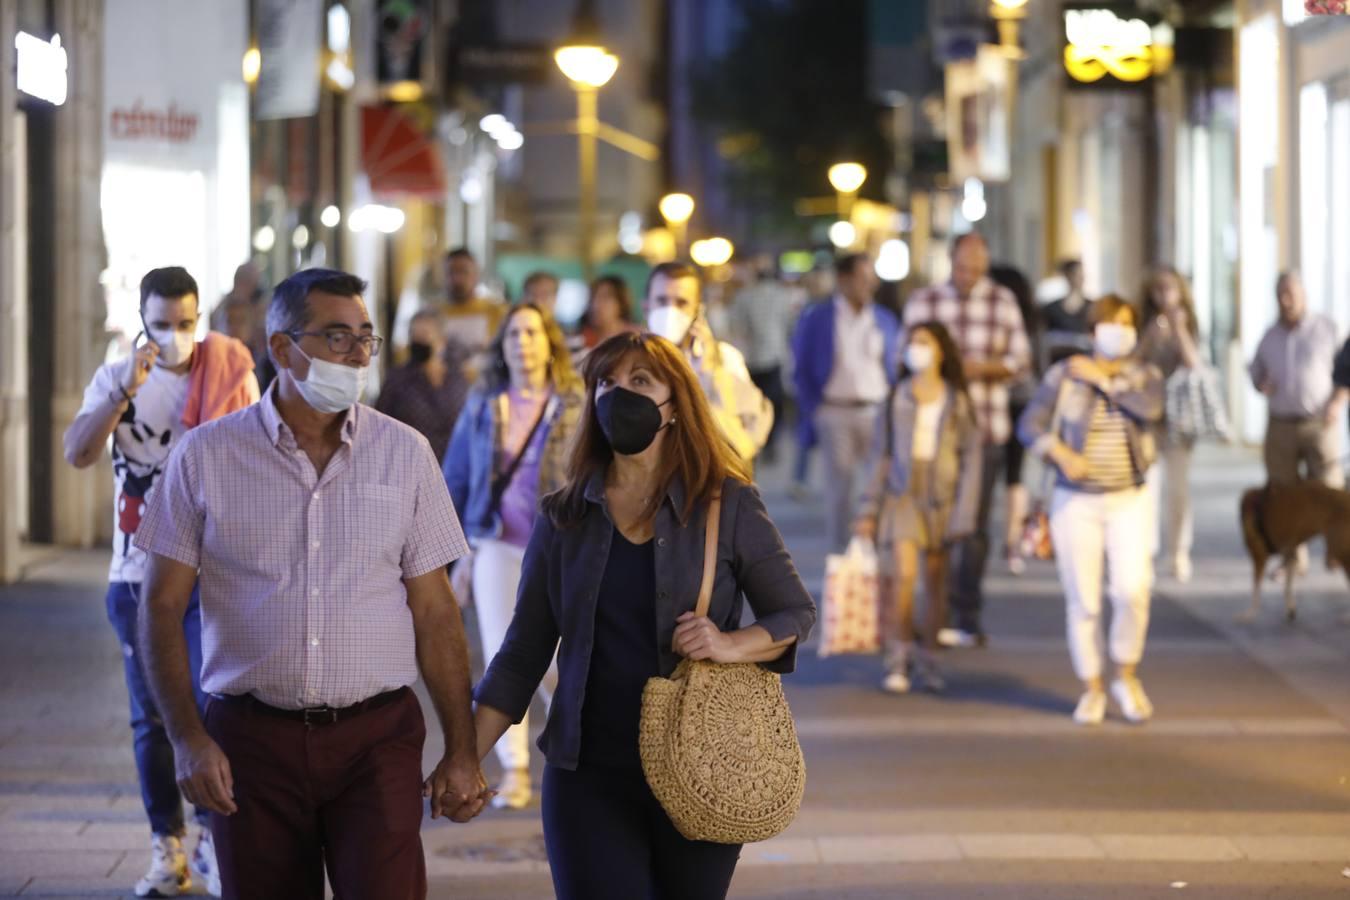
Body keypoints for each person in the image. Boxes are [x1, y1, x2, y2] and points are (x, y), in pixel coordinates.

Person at [133, 268, 490, 900]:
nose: (356, 354)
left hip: (375, 742)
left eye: (365, 338)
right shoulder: (206, 456)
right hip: (250, 742)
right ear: (281, 348)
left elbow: (435, 612)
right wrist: (188, 739)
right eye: (336, 337)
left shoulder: (404, 454)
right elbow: (160, 606)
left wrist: (461, 750)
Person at [471, 332, 816, 900]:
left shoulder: (725, 504)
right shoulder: (564, 516)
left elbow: (794, 611)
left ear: (674, 405)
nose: (618, 395)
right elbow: (523, 653)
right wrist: (465, 759)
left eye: (639, 382)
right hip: (586, 773)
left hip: (701, 764)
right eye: (606, 382)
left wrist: (729, 643)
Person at [63, 266, 259, 898]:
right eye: (163, 325)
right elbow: (78, 452)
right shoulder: (119, 376)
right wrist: (121, 390)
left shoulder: (230, 369)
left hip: (214, 571)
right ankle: (165, 846)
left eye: (186, 323)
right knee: (151, 718)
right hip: (136, 574)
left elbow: (258, 453)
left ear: (200, 317)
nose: (176, 336)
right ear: (142, 322)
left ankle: (212, 841)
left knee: (214, 710)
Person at [443, 303, 583, 810]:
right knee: (506, 655)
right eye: (514, 334)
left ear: (549, 342)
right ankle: (516, 770)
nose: (522, 342)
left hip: (561, 548)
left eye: (532, 332)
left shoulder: (575, 401)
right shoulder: (485, 403)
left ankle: (575, 739)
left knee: (562, 657)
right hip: (496, 545)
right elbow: (455, 477)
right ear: (502, 345)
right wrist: (456, 553)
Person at [1018, 295, 1164, 725]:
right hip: (1074, 501)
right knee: (1084, 600)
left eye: (1126, 323)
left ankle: (1126, 674)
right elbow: (1030, 424)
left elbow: (1150, 409)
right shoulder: (1065, 375)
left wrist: (1103, 381)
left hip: (1129, 498)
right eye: (1109, 323)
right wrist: (1058, 452)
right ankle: (1093, 687)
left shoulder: (1145, 375)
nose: (1118, 330)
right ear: (1093, 329)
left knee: (1131, 589)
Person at [903, 233, 1032, 646]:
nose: (969, 277)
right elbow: (902, 358)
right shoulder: (925, 302)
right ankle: (931, 613)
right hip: (932, 434)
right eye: (962, 269)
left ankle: (966, 613)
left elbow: (1021, 362)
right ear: (951, 261)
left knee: (973, 526)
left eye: (977, 271)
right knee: (932, 526)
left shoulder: (1002, 301)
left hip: (985, 429)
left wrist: (984, 368)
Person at [854, 322, 982, 695]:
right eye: (911, 343)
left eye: (924, 342)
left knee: (937, 583)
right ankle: (899, 656)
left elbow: (971, 458)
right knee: (904, 577)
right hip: (902, 494)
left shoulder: (956, 399)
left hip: (942, 497)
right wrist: (868, 508)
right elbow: (881, 455)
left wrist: (965, 512)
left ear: (941, 350)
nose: (916, 349)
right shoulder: (897, 396)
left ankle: (930, 659)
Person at [792, 254, 902, 552]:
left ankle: (874, 548)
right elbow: (800, 366)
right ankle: (842, 553)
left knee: (878, 484)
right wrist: (814, 408)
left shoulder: (883, 318)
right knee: (840, 488)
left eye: (872, 279)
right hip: (834, 410)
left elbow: (895, 365)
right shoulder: (818, 318)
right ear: (843, 280)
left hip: (877, 410)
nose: (869, 285)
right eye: (862, 278)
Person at [642, 261, 773, 462]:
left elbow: (745, 437)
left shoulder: (726, 359)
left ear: (698, 311)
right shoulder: (630, 363)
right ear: (646, 307)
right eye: (662, 301)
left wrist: (710, 373)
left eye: (681, 303)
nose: (670, 311)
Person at [1137, 265, 1205, 583]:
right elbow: (1131, 363)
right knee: (1147, 488)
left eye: (1169, 288)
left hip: (1180, 419)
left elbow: (1195, 365)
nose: (1163, 295)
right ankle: (1146, 552)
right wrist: (1149, 337)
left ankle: (1178, 552)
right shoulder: (1145, 323)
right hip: (1149, 417)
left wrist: (1179, 331)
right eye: (1158, 289)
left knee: (1178, 490)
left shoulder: (1188, 323)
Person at [1249, 272, 1346, 490]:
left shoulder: (1327, 329)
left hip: (1320, 422)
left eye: (1290, 294)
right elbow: (1255, 371)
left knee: (1327, 489)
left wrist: (1337, 402)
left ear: (1303, 294)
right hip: (1281, 425)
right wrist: (1260, 383)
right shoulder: (1269, 336)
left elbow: (1346, 371)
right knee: (1282, 495)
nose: (1285, 301)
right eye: (1280, 295)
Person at [989, 264, 1041, 576]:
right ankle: (1012, 543)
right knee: (1015, 475)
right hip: (1024, 401)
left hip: (1004, 399)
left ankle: (997, 537)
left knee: (992, 470)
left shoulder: (1001, 316)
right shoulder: (1034, 318)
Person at [375, 308, 471, 463]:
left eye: (424, 334)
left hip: (451, 469)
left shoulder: (457, 378)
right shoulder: (397, 379)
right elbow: (379, 425)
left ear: (442, 341)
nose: (418, 341)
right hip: (409, 465)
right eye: (413, 335)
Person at [728, 254, 792, 463]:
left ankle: (761, 443)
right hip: (763, 357)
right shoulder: (775, 296)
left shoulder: (750, 296)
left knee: (759, 404)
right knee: (767, 403)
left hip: (760, 357)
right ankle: (763, 442)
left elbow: (737, 327)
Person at [442, 247, 507, 355]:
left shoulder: (497, 311)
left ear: (476, 274)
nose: (457, 279)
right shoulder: (433, 314)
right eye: (451, 272)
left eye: (463, 272)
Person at [1041, 259, 1095, 365]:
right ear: (1067, 276)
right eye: (1076, 273)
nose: (1081, 278)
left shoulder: (1093, 307)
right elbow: (1044, 339)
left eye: (1082, 274)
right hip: (1057, 364)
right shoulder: (1051, 309)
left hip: (1086, 364)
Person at [580, 275, 639, 350]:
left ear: (621, 303)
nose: (596, 304)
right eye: (593, 297)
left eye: (605, 297)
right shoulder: (582, 338)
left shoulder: (636, 338)